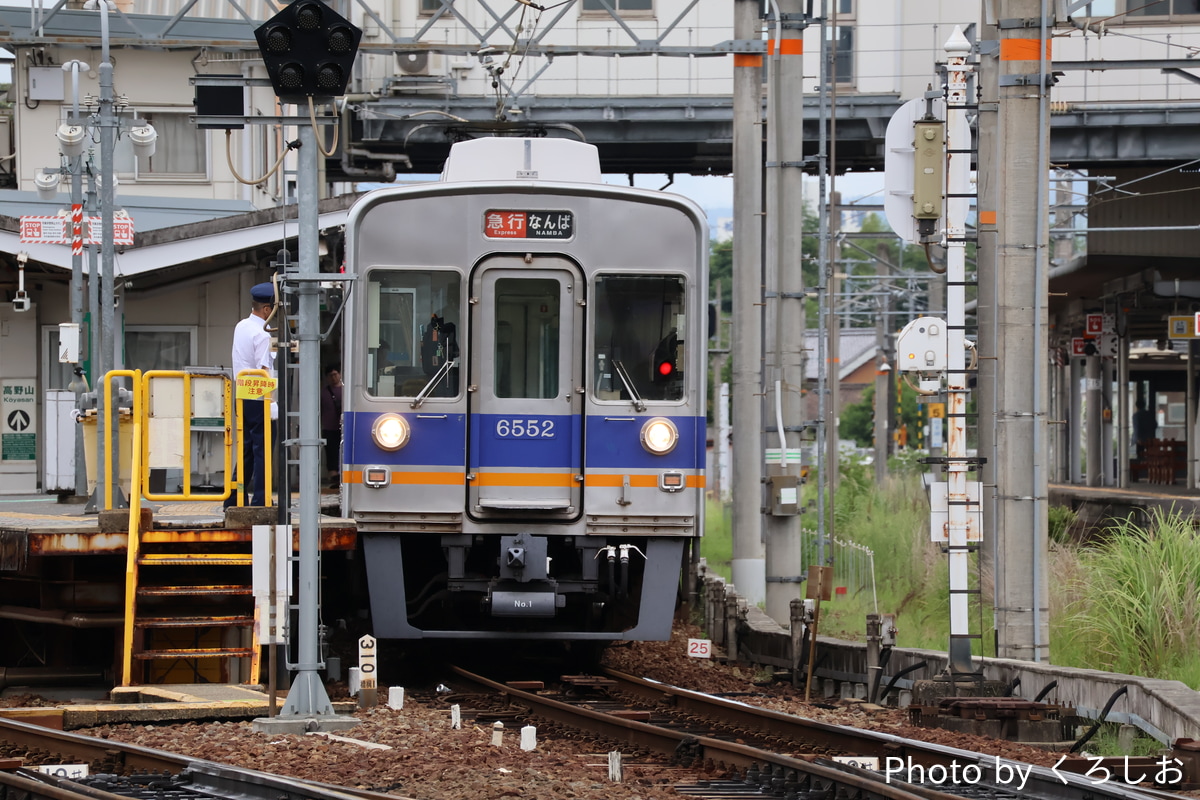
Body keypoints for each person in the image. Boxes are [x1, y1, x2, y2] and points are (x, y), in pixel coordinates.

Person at [225, 282, 277, 508]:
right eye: (273, 309)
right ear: (266, 309)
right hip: (259, 397)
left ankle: (234, 498)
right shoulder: (263, 334)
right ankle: (261, 499)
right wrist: (272, 403)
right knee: (263, 450)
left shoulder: (241, 326)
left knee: (245, 449)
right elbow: (263, 370)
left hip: (241, 395)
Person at [321, 365, 343, 488]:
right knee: (331, 453)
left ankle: (343, 476)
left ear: (340, 374)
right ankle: (334, 478)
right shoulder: (324, 392)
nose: (333, 378)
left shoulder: (346, 391)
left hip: (343, 427)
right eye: (330, 376)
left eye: (335, 374)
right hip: (329, 427)